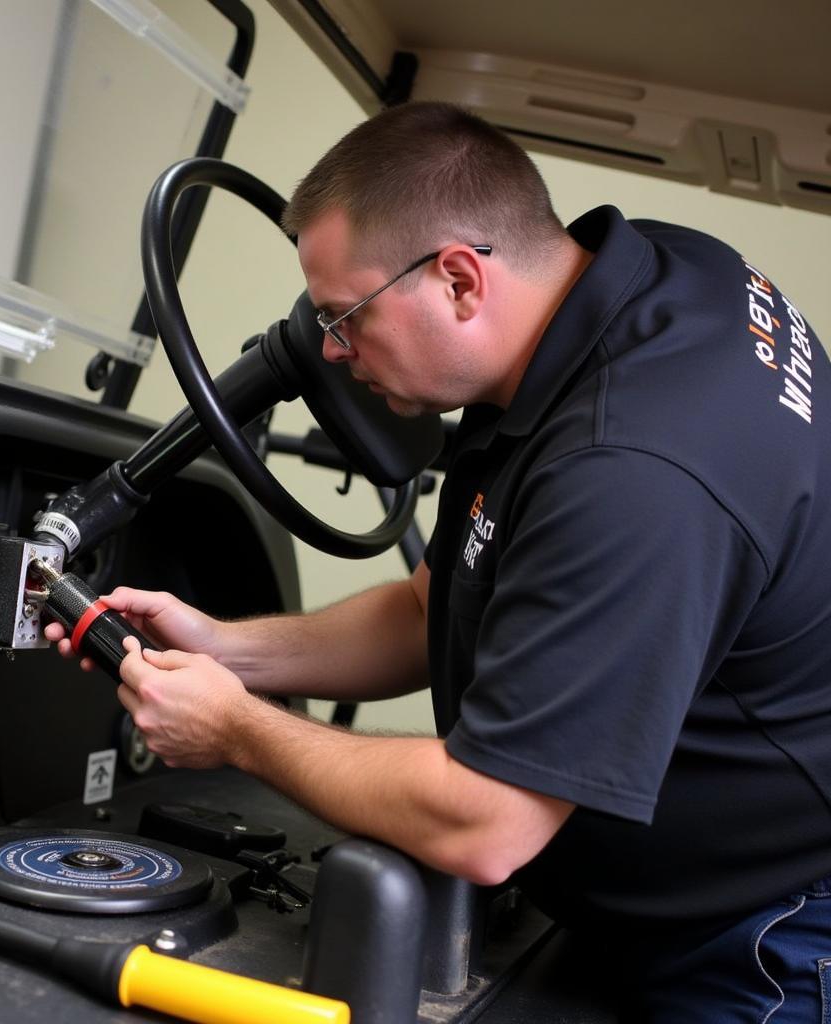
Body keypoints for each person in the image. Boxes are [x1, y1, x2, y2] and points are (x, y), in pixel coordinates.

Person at [47, 101, 831, 1021]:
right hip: (653, 904)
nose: (333, 353)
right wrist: (226, 651)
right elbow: (437, 604)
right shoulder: (625, 288)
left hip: (763, 943)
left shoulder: (632, 469)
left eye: (346, 318)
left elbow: (487, 820)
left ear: (460, 279)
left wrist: (237, 730)